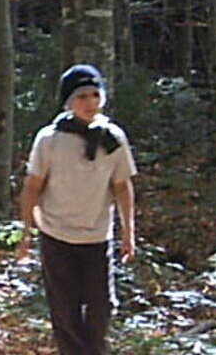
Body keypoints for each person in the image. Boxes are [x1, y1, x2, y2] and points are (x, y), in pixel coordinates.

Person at [15, 64, 139, 355]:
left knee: (102, 306)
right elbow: (33, 186)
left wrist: (129, 233)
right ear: (69, 101)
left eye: (96, 95)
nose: (90, 102)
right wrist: (26, 233)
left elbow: (123, 186)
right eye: (82, 96)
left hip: (97, 236)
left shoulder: (113, 138)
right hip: (56, 235)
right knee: (65, 310)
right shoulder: (49, 139)